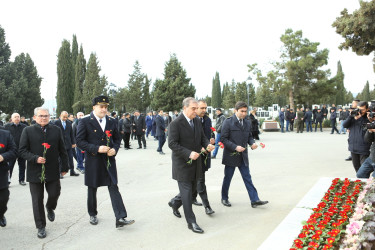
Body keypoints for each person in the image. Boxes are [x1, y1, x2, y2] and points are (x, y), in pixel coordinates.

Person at [76, 96, 135, 228]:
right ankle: (92, 213)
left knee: (113, 186)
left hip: (109, 160)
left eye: (106, 107)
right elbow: (79, 142)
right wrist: (96, 148)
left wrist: (114, 149)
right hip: (93, 159)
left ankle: (120, 217)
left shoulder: (112, 121)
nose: (104, 109)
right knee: (92, 188)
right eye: (101, 107)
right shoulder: (85, 121)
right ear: (94, 107)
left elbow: (117, 138)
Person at [19, 107, 69, 238]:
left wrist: (65, 166)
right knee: (37, 200)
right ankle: (41, 226)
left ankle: (50, 207)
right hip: (34, 170)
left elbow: (62, 150)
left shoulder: (56, 130)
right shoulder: (27, 130)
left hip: (52, 169)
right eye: (41, 116)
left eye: (46, 116)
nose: (44, 118)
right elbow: (22, 150)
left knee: (55, 193)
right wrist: (35, 158)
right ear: (34, 117)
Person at [167, 97, 214, 234]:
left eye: (196, 108)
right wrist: (188, 153)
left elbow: (202, 137)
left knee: (193, 190)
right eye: (193, 108)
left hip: (196, 162)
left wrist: (207, 145)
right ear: (184, 108)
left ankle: (175, 203)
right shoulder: (175, 124)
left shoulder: (197, 121)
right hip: (182, 164)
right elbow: (172, 144)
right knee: (187, 194)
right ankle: (191, 222)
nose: (196, 111)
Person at [220, 101, 268, 208]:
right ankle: (224, 198)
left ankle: (254, 199)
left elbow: (249, 136)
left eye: (245, 111)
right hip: (231, 155)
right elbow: (223, 138)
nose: (244, 113)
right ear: (235, 110)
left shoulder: (247, 122)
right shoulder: (228, 122)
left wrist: (252, 143)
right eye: (242, 111)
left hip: (243, 156)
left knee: (247, 177)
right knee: (228, 178)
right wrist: (235, 147)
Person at [192, 100, 215, 214]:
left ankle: (188, 198)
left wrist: (212, 140)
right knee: (200, 180)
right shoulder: (192, 120)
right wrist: (199, 147)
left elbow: (209, 133)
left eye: (205, 108)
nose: (204, 110)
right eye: (202, 108)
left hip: (206, 152)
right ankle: (207, 206)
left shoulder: (207, 119)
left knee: (197, 178)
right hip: (195, 154)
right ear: (196, 108)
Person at [343, 101, 371, 172]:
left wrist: (367, 118)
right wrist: (351, 117)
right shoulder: (353, 117)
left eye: (362, 109)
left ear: (367, 109)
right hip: (353, 148)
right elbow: (344, 125)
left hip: (364, 149)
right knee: (357, 170)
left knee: (363, 172)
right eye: (359, 109)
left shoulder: (368, 118)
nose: (360, 111)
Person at [0, 129, 17, 227]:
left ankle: (1, 214)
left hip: (1, 172)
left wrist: (3, 156)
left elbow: (14, 151)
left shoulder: (5, 134)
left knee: (3, 198)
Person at [54, 111, 80, 177]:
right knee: (60, 159)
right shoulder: (56, 123)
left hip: (68, 144)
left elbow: (71, 134)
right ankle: (60, 172)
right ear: (60, 115)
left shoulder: (69, 123)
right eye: (64, 117)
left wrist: (73, 142)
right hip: (60, 144)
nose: (65, 118)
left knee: (70, 158)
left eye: (66, 117)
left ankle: (72, 171)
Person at [4, 113, 27, 185]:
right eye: (15, 117)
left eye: (18, 117)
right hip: (11, 150)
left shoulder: (24, 127)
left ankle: (21, 180)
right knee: (10, 166)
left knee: (22, 165)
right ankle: (7, 181)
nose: (17, 118)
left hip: (22, 149)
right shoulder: (7, 127)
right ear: (12, 118)